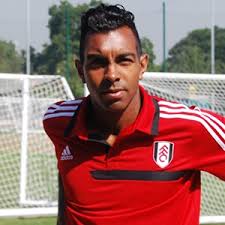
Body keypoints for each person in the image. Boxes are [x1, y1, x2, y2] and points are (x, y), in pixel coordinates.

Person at [43, 3, 225, 225]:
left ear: (142, 65)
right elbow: (69, 190)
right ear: (81, 70)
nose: (111, 74)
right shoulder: (59, 122)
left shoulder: (191, 126)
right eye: (98, 62)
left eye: (124, 60)